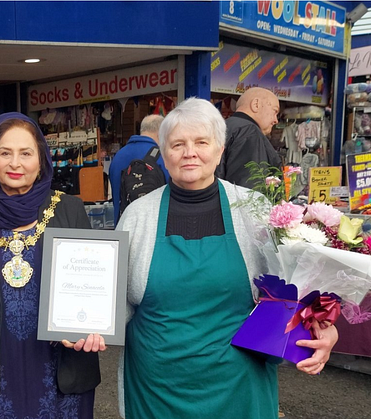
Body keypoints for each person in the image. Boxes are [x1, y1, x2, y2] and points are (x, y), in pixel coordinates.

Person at [117, 98, 338, 419]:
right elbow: (111, 303)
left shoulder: (255, 209)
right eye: (177, 144)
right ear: (164, 154)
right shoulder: (138, 217)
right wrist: (76, 324)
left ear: (220, 149)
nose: (189, 152)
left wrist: (324, 327)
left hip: (239, 386)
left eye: (201, 142)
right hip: (155, 389)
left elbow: (294, 290)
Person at [0, 112, 105, 418]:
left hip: (60, 362)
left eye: (26, 154)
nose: (15, 163)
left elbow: (91, 282)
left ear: (41, 160)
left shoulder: (69, 209)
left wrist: (89, 326)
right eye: (5, 153)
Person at [216, 87, 282, 188]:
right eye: (275, 111)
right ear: (256, 105)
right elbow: (249, 189)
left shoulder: (225, 126)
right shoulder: (249, 131)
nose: (275, 120)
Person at [109, 114, 170, 223]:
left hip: (123, 227)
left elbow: (116, 195)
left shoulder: (118, 156)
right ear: (161, 132)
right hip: (154, 228)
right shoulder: (163, 157)